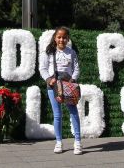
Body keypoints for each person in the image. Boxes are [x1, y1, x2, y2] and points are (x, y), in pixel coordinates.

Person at [39, 26, 82, 155]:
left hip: (68, 86)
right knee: (57, 115)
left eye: (64, 37)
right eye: (59, 37)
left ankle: (78, 142)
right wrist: (48, 79)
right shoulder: (48, 52)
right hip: (53, 86)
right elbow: (42, 68)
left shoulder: (71, 52)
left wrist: (73, 79)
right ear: (55, 38)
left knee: (73, 112)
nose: (61, 40)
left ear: (67, 39)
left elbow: (76, 69)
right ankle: (58, 142)